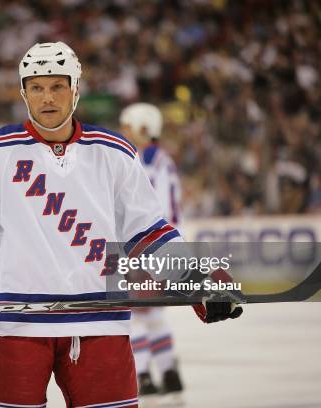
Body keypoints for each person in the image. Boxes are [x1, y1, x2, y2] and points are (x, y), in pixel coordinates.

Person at [0, 41, 242, 407]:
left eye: (57, 86)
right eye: (36, 87)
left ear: (76, 89)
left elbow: (149, 234)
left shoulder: (115, 152)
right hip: (12, 330)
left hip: (101, 327)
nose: (47, 98)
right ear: (23, 93)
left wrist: (195, 277)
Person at [120, 103, 184, 399]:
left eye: (128, 126)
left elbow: (146, 213)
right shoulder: (163, 161)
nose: (123, 132)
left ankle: (143, 374)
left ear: (144, 128)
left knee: (132, 314)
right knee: (155, 315)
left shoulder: (141, 162)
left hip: (144, 247)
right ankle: (170, 373)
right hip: (164, 247)